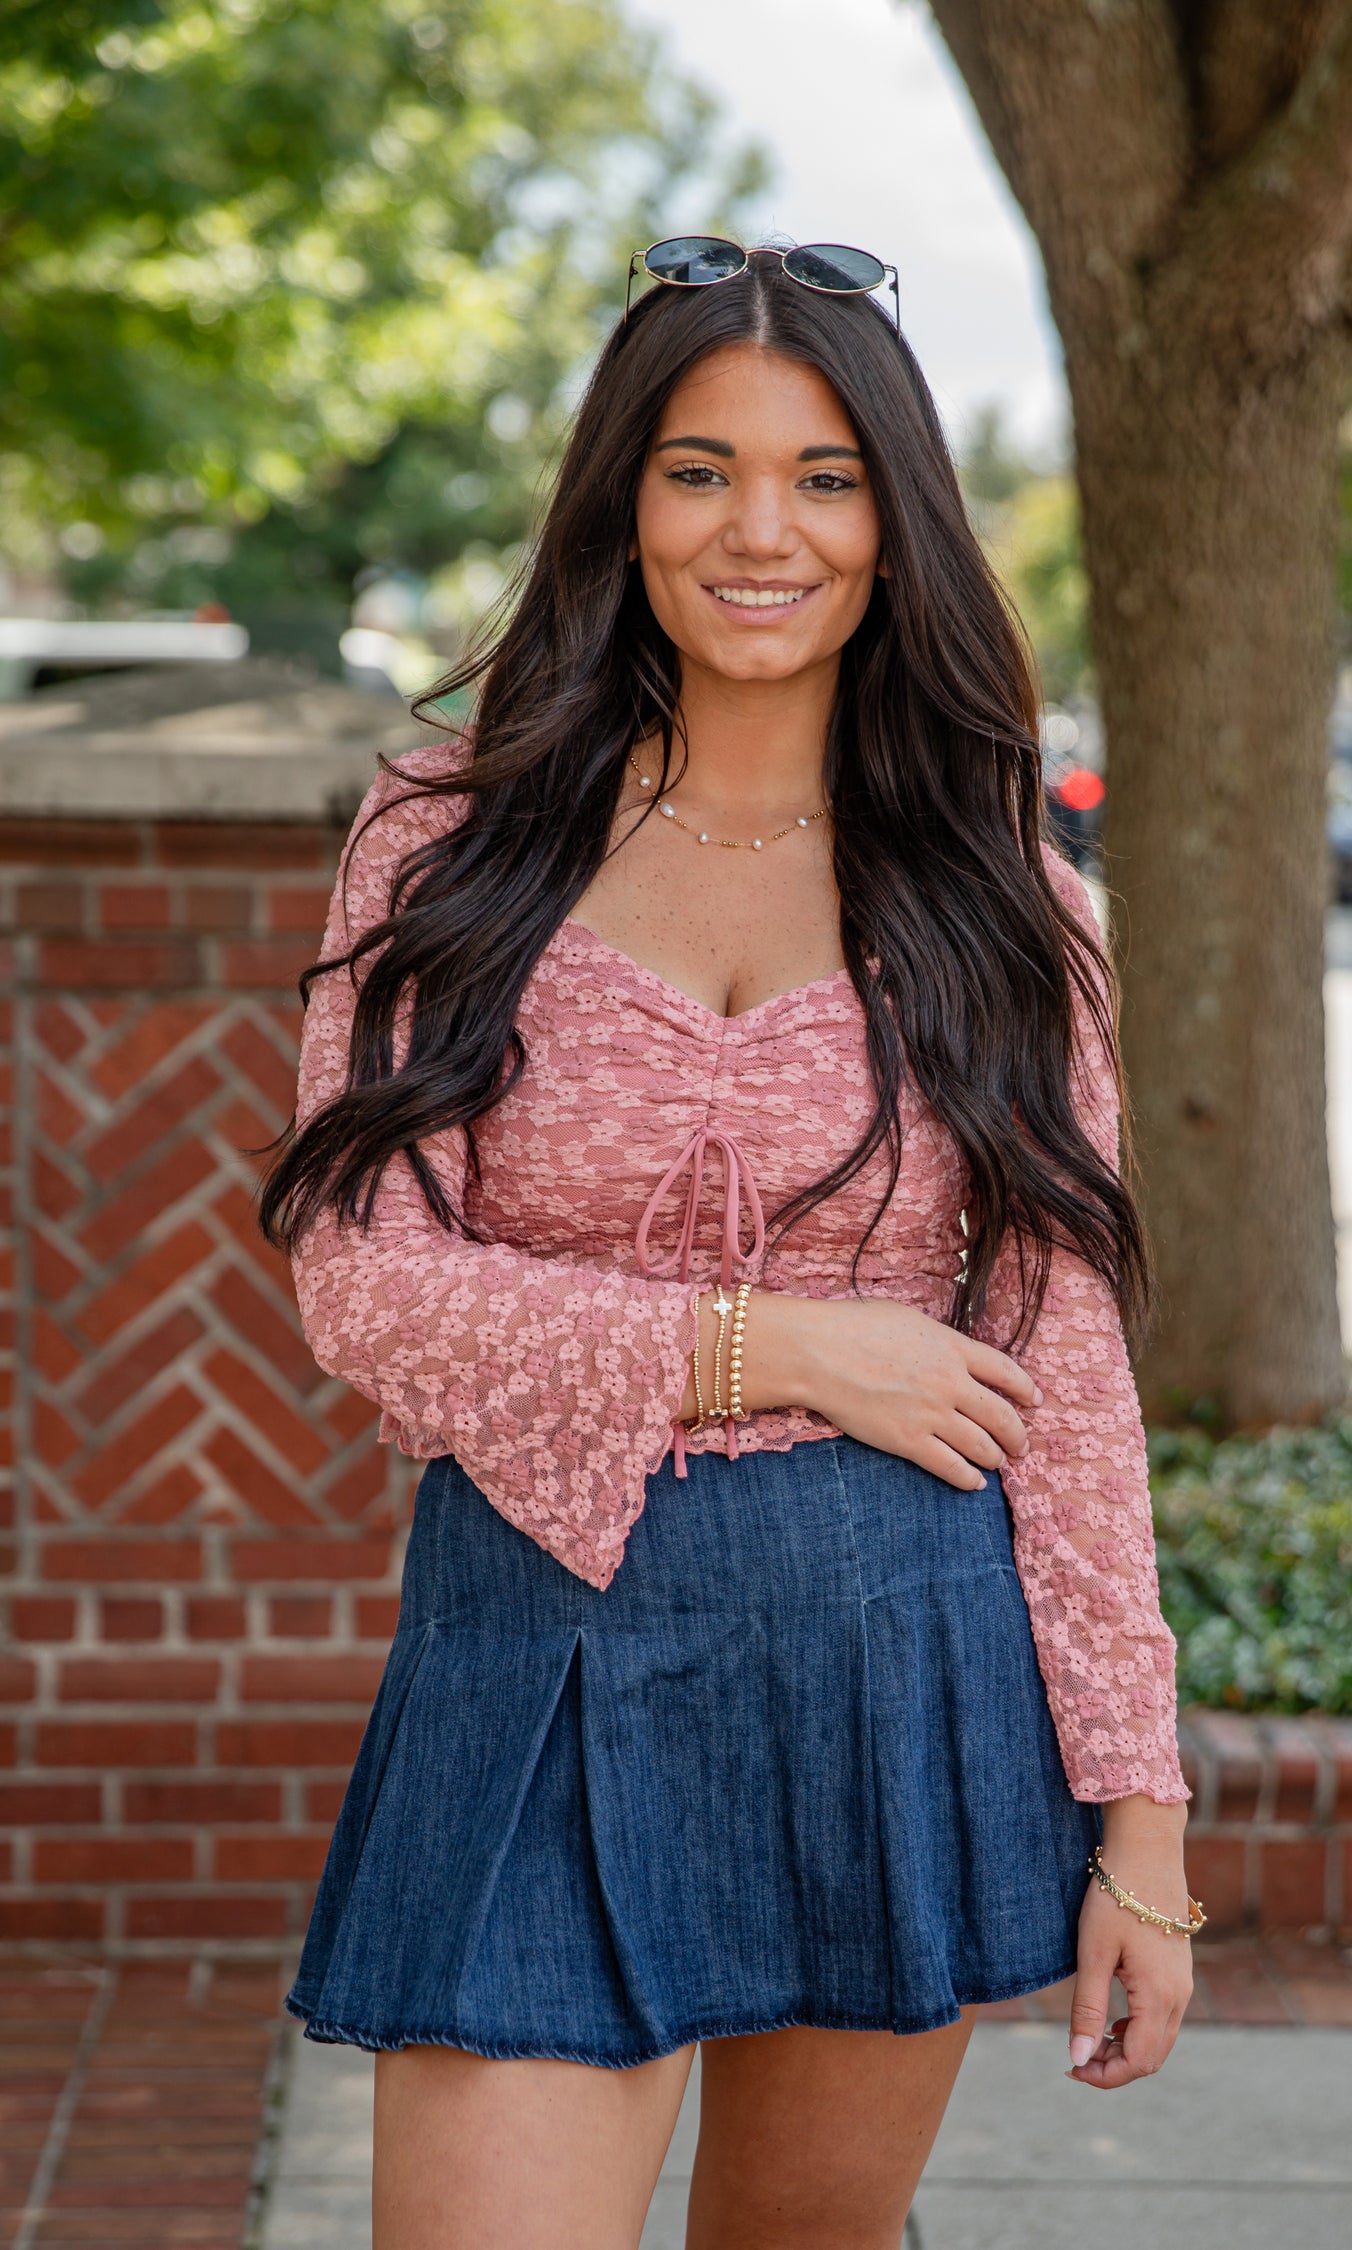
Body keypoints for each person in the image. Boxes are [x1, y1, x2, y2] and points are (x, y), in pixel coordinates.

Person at [262, 240, 1196, 2250]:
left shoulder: (1014, 906)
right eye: (701, 470)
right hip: (542, 1654)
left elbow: (1073, 1373)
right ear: (625, 504)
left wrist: (1143, 1824)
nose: (760, 528)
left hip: (898, 1660)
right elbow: (365, 1286)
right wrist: (775, 1347)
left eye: (825, 476)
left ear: (896, 523)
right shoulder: (447, 843)